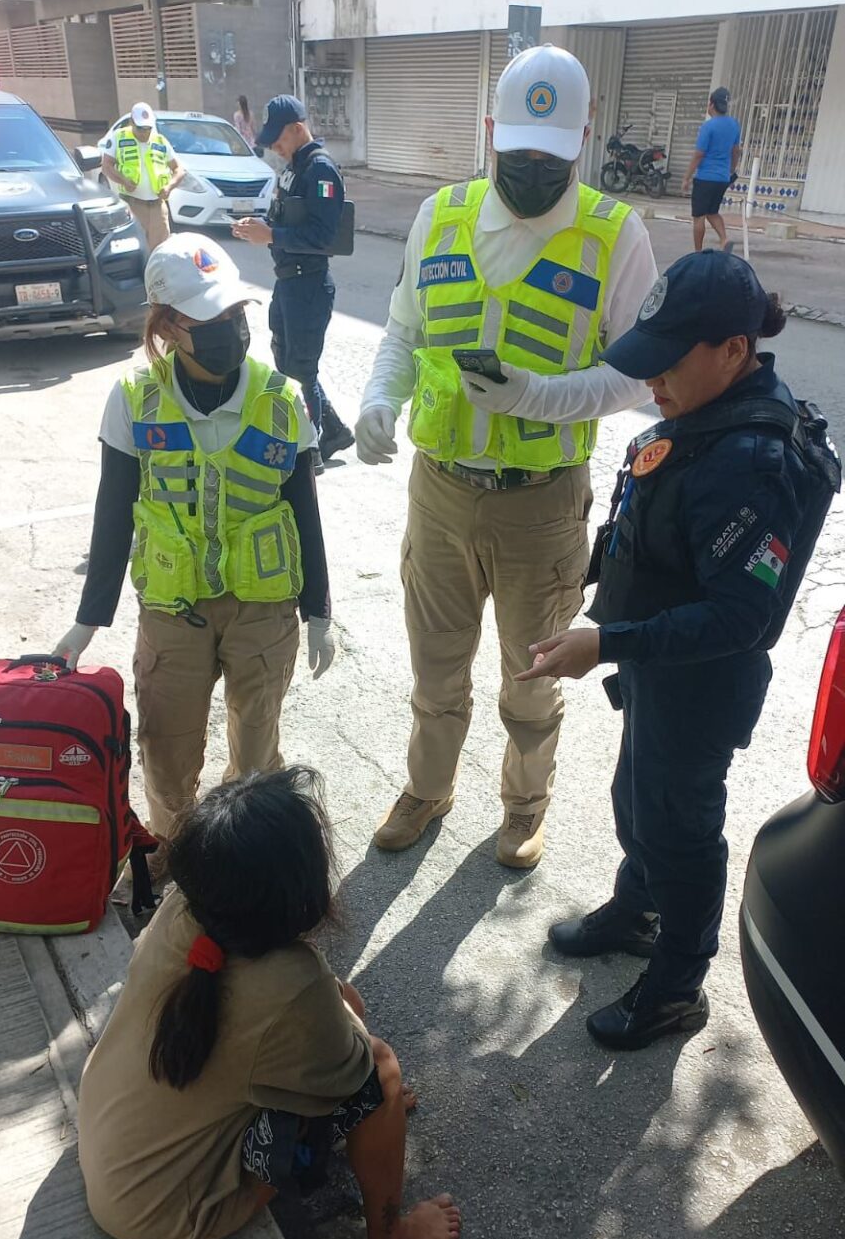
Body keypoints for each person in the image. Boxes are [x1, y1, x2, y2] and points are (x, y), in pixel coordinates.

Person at [519, 251, 840, 1050]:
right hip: (657, 665)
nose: (652, 380)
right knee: (639, 806)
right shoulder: (707, 415)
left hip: (699, 684)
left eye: (670, 361)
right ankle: (639, 910)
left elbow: (741, 620)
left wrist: (608, 643)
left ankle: (676, 989)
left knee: (683, 834)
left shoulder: (752, 464)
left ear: (733, 350)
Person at [355, 45, 657, 869]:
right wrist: (380, 400)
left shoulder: (613, 236)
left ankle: (524, 807)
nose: (532, 171)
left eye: (550, 159)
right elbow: (404, 333)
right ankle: (427, 788)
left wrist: (534, 395)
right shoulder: (441, 215)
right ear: (490, 131)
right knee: (436, 668)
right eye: (516, 154)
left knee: (532, 681)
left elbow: (638, 374)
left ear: (584, 137)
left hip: (541, 504)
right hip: (441, 491)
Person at [78, 768, 462, 1239]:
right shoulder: (290, 986)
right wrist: (355, 1067)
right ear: (299, 887)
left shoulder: (181, 910)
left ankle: (365, 1131)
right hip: (167, 1214)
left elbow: (324, 1004)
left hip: (111, 1154)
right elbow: (356, 1053)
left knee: (345, 1010)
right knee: (381, 1073)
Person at [53, 234, 335, 884]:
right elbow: (113, 512)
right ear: (167, 326)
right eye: (207, 321)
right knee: (166, 752)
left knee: (257, 752)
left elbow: (304, 510)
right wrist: (88, 619)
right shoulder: (134, 399)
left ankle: (245, 862)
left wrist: (318, 608)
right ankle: (175, 860)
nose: (229, 331)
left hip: (264, 610)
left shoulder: (283, 400)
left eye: (234, 314)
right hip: (173, 613)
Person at [232, 95, 354, 471]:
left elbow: (322, 236)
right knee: (287, 364)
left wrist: (271, 236)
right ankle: (332, 430)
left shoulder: (320, 171)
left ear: (297, 129)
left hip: (308, 285)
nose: (275, 148)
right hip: (287, 283)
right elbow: (284, 218)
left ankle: (311, 450)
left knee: (302, 369)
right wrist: (260, 228)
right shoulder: (294, 168)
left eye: (279, 140)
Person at [102, 102, 184, 253]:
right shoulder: (118, 138)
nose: (144, 132)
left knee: (161, 252)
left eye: (148, 128)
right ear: (132, 122)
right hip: (132, 203)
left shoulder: (160, 141)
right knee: (133, 251)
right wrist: (123, 181)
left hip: (158, 207)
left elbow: (179, 170)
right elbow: (106, 166)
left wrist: (169, 187)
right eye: (140, 128)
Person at [682, 87, 742, 254]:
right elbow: (736, 150)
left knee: (699, 216)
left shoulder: (708, 127)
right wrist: (731, 170)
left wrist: (686, 177)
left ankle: (698, 252)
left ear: (711, 104)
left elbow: (699, 154)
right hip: (722, 178)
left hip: (705, 177)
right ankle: (724, 239)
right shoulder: (734, 125)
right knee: (712, 211)